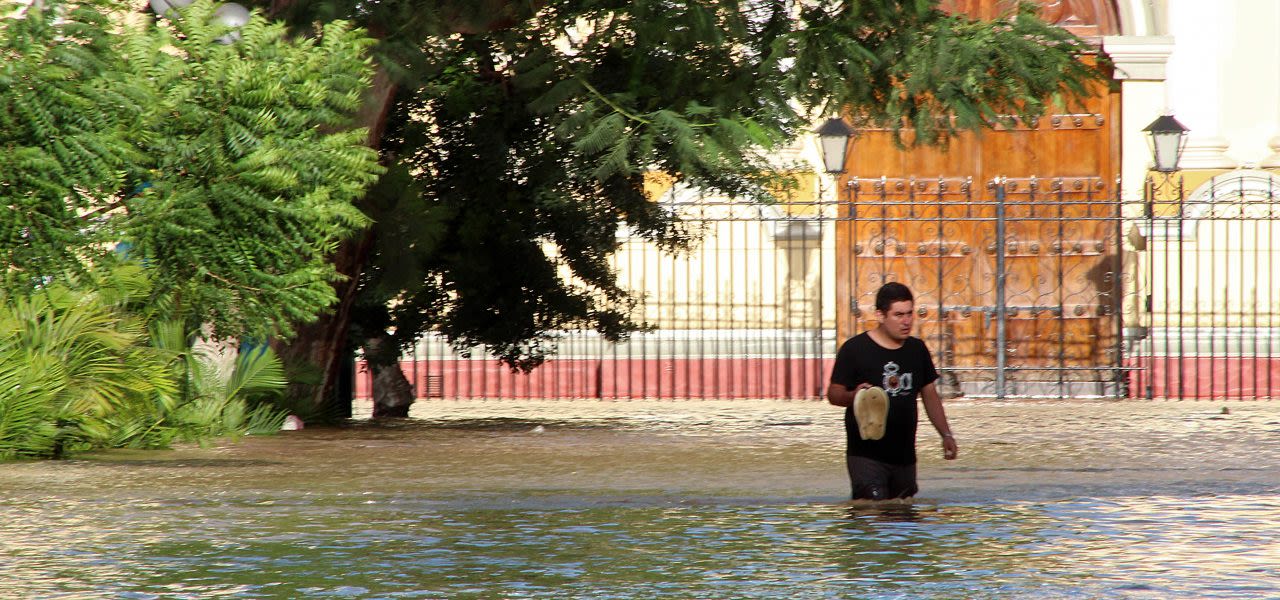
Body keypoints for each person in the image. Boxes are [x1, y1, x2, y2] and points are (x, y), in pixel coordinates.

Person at [827, 282, 958, 500]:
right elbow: (833, 394)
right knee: (872, 514)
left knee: (904, 516)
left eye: (909, 314)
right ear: (880, 315)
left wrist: (946, 434)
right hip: (866, 455)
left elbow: (930, 395)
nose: (906, 321)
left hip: (905, 455)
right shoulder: (855, 349)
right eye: (898, 315)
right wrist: (854, 396)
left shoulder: (917, 350)